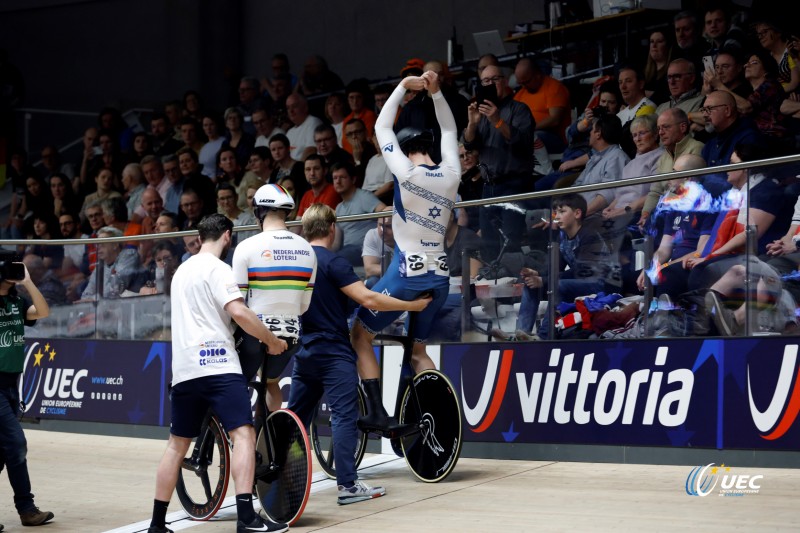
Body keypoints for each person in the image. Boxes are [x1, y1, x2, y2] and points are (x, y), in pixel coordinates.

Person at [147, 214, 288, 533]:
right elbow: (238, 311)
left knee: (176, 445)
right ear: (227, 235)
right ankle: (246, 518)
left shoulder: (181, 271)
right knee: (243, 434)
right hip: (218, 366)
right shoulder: (219, 269)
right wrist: (271, 340)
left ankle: (157, 524)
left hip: (184, 369)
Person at [287, 203, 430, 504]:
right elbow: (366, 298)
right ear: (331, 228)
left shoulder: (297, 263)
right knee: (344, 416)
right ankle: (348, 486)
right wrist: (412, 306)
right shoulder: (333, 263)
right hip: (332, 352)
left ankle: (282, 474)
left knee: (295, 417)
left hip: (305, 350)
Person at [351, 70, 460, 431]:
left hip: (406, 276)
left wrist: (401, 87)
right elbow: (449, 131)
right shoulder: (451, 174)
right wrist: (437, 94)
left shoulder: (406, 173)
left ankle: (378, 412)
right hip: (441, 277)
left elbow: (381, 129)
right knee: (418, 351)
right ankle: (436, 419)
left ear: (404, 148)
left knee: (359, 334)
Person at [232, 184, 316, 411]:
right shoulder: (308, 249)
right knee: (271, 383)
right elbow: (304, 305)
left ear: (259, 212)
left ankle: (239, 438)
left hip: (254, 332)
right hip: (291, 333)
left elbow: (237, 303)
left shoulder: (246, 246)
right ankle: (267, 439)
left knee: (233, 384)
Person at [0, 252, 55, 527]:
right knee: (17, 445)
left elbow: (43, 312)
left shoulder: (16, 301)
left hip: (11, 385)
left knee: (4, 452)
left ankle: (26, 509)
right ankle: (27, 508)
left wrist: (28, 282)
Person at [463, 64, 535, 258]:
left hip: (514, 184)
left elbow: (523, 142)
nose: (490, 84)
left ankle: (514, 283)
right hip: (489, 187)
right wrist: (472, 123)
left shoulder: (519, 109)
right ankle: (493, 285)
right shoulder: (482, 113)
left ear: (504, 81)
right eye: (485, 81)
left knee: (511, 241)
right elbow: (469, 145)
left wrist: (497, 120)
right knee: (489, 243)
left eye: (495, 79)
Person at [513, 57, 571, 153]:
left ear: (537, 74)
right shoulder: (520, 94)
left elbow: (555, 120)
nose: (524, 86)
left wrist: (530, 128)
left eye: (527, 82)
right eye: (520, 83)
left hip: (554, 138)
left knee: (533, 137)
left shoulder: (554, 88)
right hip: (527, 136)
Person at [332, 162, 385, 266]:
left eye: (342, 177)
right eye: (335, 178)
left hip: (365, 249)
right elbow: (336, 243)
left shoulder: (364, 196)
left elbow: (385, 212)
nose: (338, 181)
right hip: (347, 251)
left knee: (338, 259)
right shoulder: (338, 208)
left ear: (353, 179)